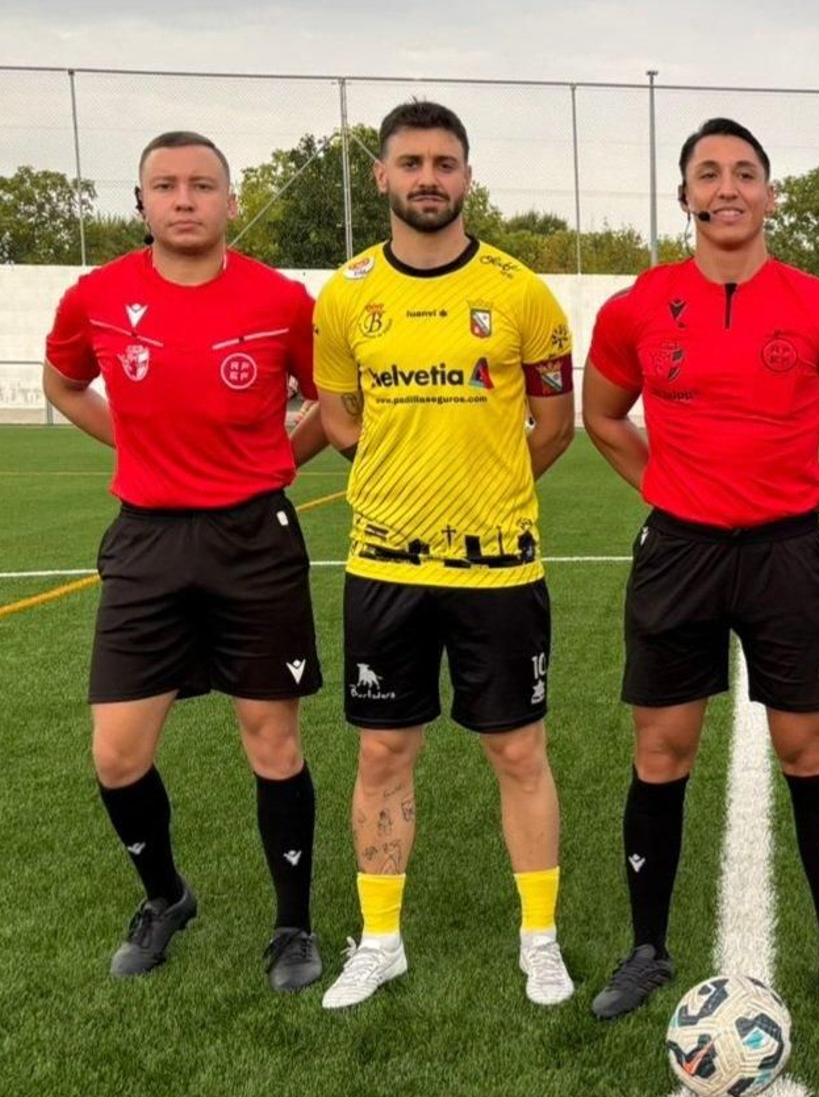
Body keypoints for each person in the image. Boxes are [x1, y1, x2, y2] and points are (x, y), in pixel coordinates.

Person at [582, 117, 819, 1020]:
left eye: (745, 173)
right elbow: (603, 415)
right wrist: (668, 489)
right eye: (709, 174)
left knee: (810, 749)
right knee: (661, 750)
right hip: (679, 553)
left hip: (785, 556)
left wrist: (798, 503)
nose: (728, 188)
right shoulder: (637, 307)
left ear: (770, 195)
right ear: (684, 195)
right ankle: (646, 949)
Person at [42, 130, 327, 991]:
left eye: (203, 184)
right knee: (117, 755)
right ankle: (166, 897)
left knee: (272, 739)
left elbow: (332, 403)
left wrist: (277, 460)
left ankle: (293, 925)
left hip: (254, 540)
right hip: (147, 541)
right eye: (165, 185)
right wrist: (132, 444)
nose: (184, 199)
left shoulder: (284, 301)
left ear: (231, 202)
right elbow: (63, 384)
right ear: (141, 203)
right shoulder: (96, 296)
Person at [313, 100, 577, 1011]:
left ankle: (540, 940)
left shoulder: (521, 293)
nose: (428, 178)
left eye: (445, 163)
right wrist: (401, 475)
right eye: (412, 163)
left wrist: (486, 486)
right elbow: (337, 416)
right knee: (383, 750)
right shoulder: (346, 294)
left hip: (498, 567)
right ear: (382, 175)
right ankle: (380, 941)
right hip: (385, 566)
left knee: (518, 749)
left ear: (467, 176)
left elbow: (554, 424)